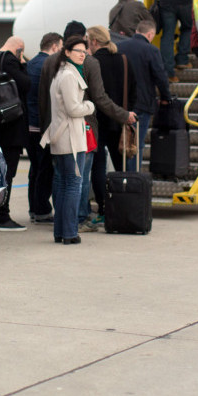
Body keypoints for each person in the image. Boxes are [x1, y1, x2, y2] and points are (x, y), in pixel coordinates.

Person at [39, 21, 133, 232]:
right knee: (78, 179)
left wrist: (47, 126)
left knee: (60, 178)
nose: (84, 53)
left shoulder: (50, 62)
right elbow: (98, 99)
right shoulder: (86, 65)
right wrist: (122, 115)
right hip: (81, 130)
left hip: (54, 128)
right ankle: (77, 221)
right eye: (81, 50)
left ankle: (61, 221)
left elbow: (44, 99)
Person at [40, 36, 97, 245]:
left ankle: (61, 231)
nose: (83, 54)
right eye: (78, 50)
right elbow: (74, 109)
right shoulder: (69, 76)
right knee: (73, 185)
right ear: (67, 52)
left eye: (85, 50)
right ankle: (70, 232)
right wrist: (90, 106)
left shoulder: (60, 73)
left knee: (64, 185)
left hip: (62, 137)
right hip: (71, 138)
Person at [86, 25, 135, 221]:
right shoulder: (123, 59)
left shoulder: (93, 63)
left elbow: (95, 95)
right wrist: (126, 114)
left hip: (98, 122)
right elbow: (133, 89)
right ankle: (128, 205)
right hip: (120, 121)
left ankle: (104, 207)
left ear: (95, 42)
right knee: (123, 165)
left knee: (98, 167)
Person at [0, 35, 30, 231]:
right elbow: (26, 85)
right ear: (19, 49)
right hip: (10, 125)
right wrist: (23, 65)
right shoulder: (10, 61)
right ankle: (1, 215)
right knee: (7, 173)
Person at [116, 19, 173, 169]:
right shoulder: (151, 50)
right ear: (150, 34)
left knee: (120, 144)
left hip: (119, 105)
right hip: (141, 105)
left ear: (136, 32)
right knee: (136, 145)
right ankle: (133, 181)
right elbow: (160, 77)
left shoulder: (119, 47)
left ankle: (121, 180)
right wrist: (166, 98)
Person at [26, 31, 62, 223]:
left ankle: (34, 207)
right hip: (41, 126)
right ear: (55, 47)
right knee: (45, 170)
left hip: (29, 125)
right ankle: (41, 209)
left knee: (36, 168)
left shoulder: (30, 64)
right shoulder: (48, 66)